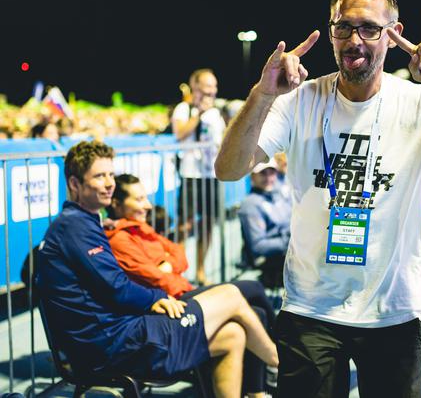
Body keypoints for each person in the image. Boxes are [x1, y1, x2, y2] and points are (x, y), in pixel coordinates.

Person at [215, 0, 421, 397]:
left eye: (370, 28)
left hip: (392, 312)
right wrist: (262, 96)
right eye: (344, 27)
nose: (355, 40)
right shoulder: (298, 101)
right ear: (332, 31)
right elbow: (227, 169)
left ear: (393, 35)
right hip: (309, 309)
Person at [37, 141, 278, 398]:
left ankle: (264, 385)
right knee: (231, 295)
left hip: (119, 333)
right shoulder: (74, 227)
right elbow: (116, 286)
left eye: (110, 174)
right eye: (99, 176)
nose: (109, 183)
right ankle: (284, 367)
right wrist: (157, 298)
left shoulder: (84, 222)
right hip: (113, 344)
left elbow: (131, 275)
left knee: (233, 334)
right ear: (74, 184)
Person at [105, 173, 275, 398]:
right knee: (250, 289)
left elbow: (180, 255)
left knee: (257, 312)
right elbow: (157, 279)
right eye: (138, 200)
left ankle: (258, 391)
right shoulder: (121, 239)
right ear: (116, 204)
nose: (146, 205)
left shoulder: (142, 229)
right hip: (170, 302)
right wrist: (168, 268)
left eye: (145, 198)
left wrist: (169, 264)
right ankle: (280, 361)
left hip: (182, 291)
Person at [172, 68, 226, 284]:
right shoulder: (183, 109)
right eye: (207, 85)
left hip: (211, 175)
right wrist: (198, 114)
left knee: (207, 224)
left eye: (214, 86)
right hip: (190, 175)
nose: (212, 90)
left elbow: (222, 140)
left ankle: (201, 270)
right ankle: (178, 270)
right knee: (184, 225)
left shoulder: (216, 114)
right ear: (195, 87)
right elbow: (180, 133)